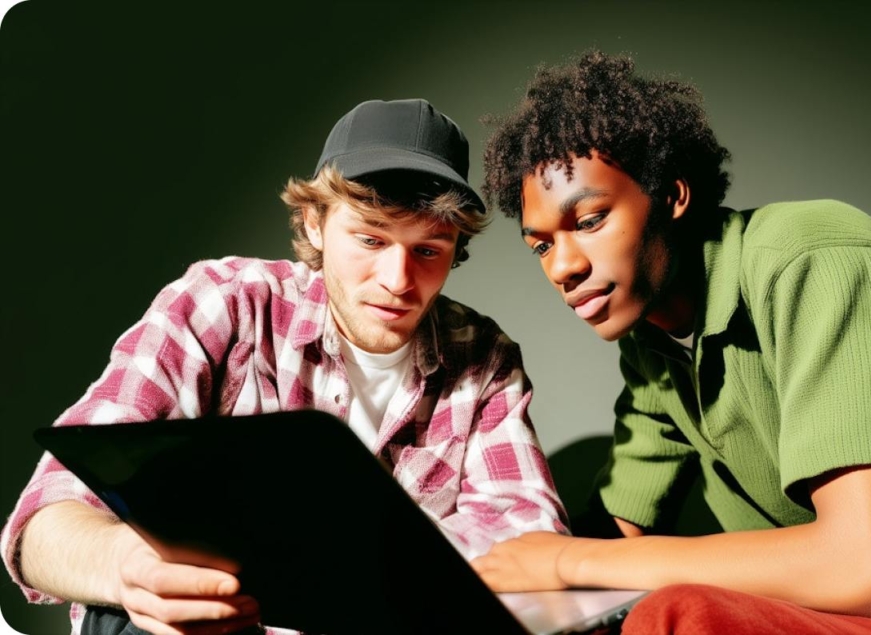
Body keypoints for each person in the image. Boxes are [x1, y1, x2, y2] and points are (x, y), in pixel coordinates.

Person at [470, 50, 871, 635]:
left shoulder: (810, 262)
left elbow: (869, 573)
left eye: (589, 221)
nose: (563, 267)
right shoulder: (652, 341)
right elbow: (616, 530)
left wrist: (567, 561)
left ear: (673, 195)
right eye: (541, 246)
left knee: (677, 616)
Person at [0, 98, 569, 635]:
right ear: (315, 223)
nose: (398, 281)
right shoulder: (225, 305)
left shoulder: (481, 355)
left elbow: (530, 536)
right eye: (370, 240)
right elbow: (42, 525)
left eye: (428, 250)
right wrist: (128, 565)